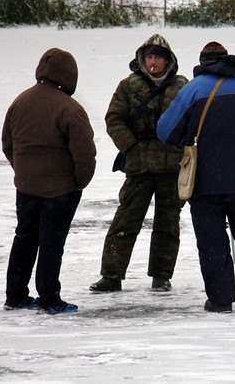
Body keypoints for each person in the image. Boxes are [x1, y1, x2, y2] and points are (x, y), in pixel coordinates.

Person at [156, 42, 235, 312]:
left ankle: (221, 300)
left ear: (202, 62)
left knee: (212, 241)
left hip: (204, 183)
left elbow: (165, 131)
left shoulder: (192, 90)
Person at [90, 34, 188, 293]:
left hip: (172, 167)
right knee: (125, 221)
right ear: (142, 60)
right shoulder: (128, 85)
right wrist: (130, 147)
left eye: (158, 57)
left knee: (168, 225)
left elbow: (193, 120)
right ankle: (111, 276)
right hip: (139, 165)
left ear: (168, 61)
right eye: (149, 57)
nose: (153, 62)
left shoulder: (182, 86)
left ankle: (161, 276)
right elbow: (114, 118)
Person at [2, 47, 97, 314]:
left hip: (26, 186)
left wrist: (23, 171)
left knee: (24, 238)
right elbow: (85, 154)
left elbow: (7, 144)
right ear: (69, 76)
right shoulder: (70, 109)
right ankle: (50, 298)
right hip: (60, 190)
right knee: (51, 243)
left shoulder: (20, 101)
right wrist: (78, 182)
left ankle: (16, 295)